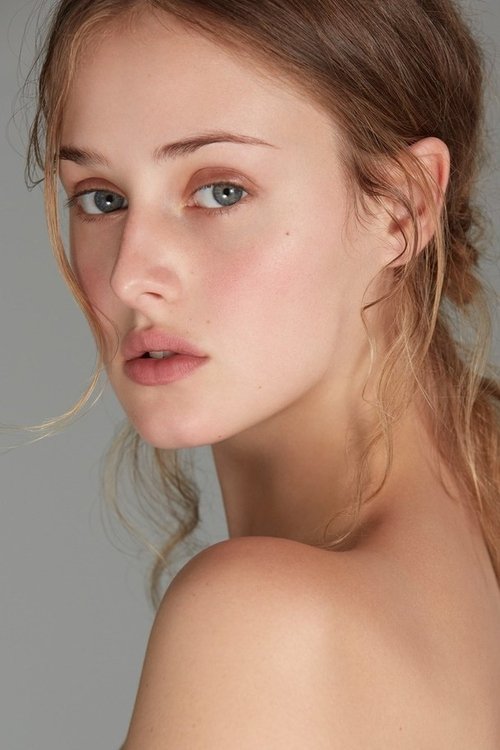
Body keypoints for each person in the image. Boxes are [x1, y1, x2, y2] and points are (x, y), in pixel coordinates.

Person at [26, 0, 500, 746]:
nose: (129, 276)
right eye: (102, 199)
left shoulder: (256, 621)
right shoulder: (470, 546)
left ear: (402, 208)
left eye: (222, 191)